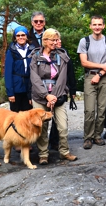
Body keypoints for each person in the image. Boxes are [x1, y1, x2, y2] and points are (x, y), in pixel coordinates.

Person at [29, 28, 78, 164]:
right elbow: (34, 78)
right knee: (42, 127)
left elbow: (62, 78)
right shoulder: (35, 56)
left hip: (58, 95)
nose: (56, 42)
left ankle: (64, 152)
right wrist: (46, 96)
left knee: (62, 126)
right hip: (40, 97)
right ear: (45, 41)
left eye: (57, 40)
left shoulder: (62, 56)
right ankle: (43, 154)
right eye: (53, 40)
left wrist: (54, 96)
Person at [77, 15, 106, 149]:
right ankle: (88, 137)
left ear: (103, 26)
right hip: (89, 77)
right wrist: (101, 67)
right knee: (89, 110)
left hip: (104, 77)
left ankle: (97, 136)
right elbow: (84, 62)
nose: (97, 27)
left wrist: (99, 74)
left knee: (102, 109)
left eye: (100, 24)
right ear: (90, 26)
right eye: (94, 24)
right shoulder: (84, 41)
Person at [48, 36, 78, 151]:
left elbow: (71, 73)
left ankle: (55, 141)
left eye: (60, 39)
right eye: (55, 40)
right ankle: (42, 146)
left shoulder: (64, 54)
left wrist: (73, 90)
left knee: (59, 119)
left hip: (62, 90)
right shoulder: (44, 54)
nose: (58, 42)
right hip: (47, 91)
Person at [4, 26, 34, 112]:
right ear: (15, 37)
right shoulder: (11, 51)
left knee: (28, 115)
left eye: (23, 35)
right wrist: (10, 93)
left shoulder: (32, 49)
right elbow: (8, 73)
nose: (21, 37)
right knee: (15, 116)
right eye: (18, 35)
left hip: (29, 88)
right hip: (16, 88)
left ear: (27, 36)